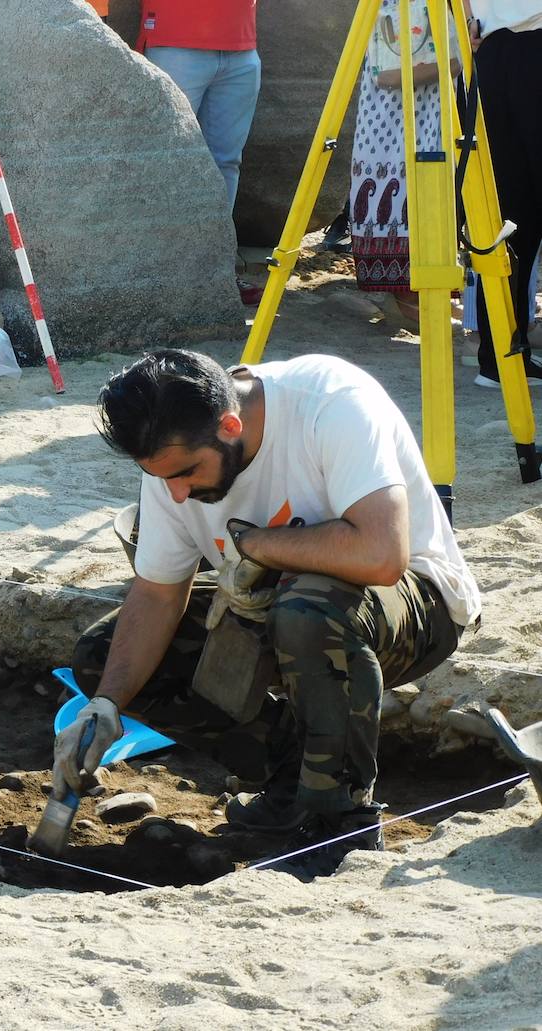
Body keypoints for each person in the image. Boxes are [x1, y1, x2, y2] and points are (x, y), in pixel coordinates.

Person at [54, 350, 480, 880]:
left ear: (230, 425)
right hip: (275, 603)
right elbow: (158, 594)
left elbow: (381, 555)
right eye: (161, 479)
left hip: (416, 602)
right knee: (101, 655)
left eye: (186, 474)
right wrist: (105, 703)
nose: (177, 494)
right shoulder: (173, 457)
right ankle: (291, 779)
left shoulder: (330, 403)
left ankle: (341, 820)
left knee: (307, 609)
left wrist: (257, 544)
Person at [136, 0, 262, 304]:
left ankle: (216, 272)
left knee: (226, 162)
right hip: (174, 43)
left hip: (241, 47)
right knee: (166, 162)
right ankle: (159, 274)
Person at [349, 1, 460, 326]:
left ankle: (430, 289)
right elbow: (386, 74)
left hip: (433, 103)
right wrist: (453, 62)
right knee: (397, 180)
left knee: (434, 185)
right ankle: (404, 293)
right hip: (392, 112)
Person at [461, 0, 542, 387]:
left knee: (508, 212)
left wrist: (465, 20)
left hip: (493, 51)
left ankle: (498, 355)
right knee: (509, 215)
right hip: (526, 41)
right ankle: (501, 353)